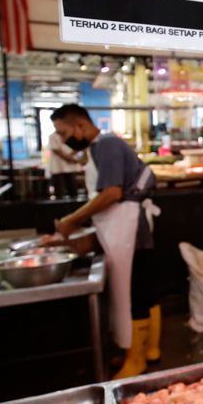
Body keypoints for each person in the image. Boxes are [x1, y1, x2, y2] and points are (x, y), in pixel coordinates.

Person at [51, 104, 161, 379]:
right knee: (143, 290)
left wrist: (72, 220)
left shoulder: (106, 145)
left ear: (79, 125)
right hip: (127, 229)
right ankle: (147, 350)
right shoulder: (97, 149)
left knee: (136, 293)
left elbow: (111, 193)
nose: (63, 139)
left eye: (63, 133)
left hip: (131, 230)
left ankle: (137, 359)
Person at [46, 130, 85, 198]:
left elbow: (77, 148)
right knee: (59, 192)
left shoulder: (72, 135)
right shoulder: (53, 137)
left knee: (73, 191)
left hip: (70, 168)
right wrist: (71, 159)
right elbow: (57, 150)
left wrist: (74, 157)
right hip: (58, 168)